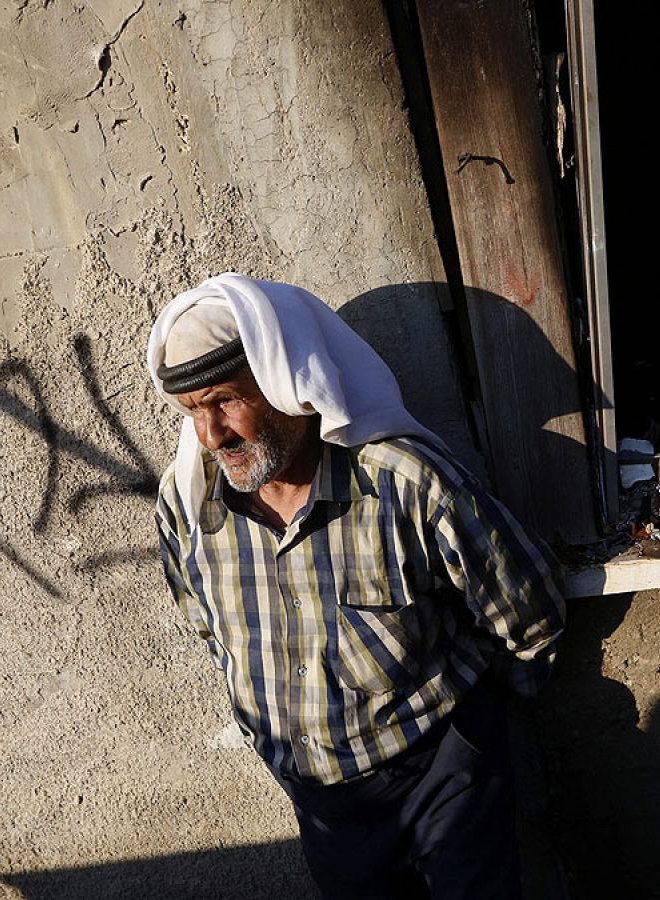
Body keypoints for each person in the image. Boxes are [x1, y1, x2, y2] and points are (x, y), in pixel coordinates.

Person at [148, 274, 567, 899]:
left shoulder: (404, 483)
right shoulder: (188, 505)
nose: (211, 436)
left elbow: (528, 610)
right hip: (322, 806)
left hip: (442, 773)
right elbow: (207, 626)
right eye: (191, 412)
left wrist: (481, 728)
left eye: (226, 401)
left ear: (287, 380)